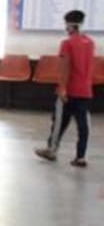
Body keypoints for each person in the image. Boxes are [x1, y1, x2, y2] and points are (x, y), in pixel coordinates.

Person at [35, 9, 95, 167]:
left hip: (69, 91)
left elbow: (65, 67)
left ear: (70, 25)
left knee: (59, 122)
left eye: (66, 25)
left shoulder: (67, 43)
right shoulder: (90, 43)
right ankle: (81, 157)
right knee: (83, 125)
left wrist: (62, 88)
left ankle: (51, 150)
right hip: (85, 91)